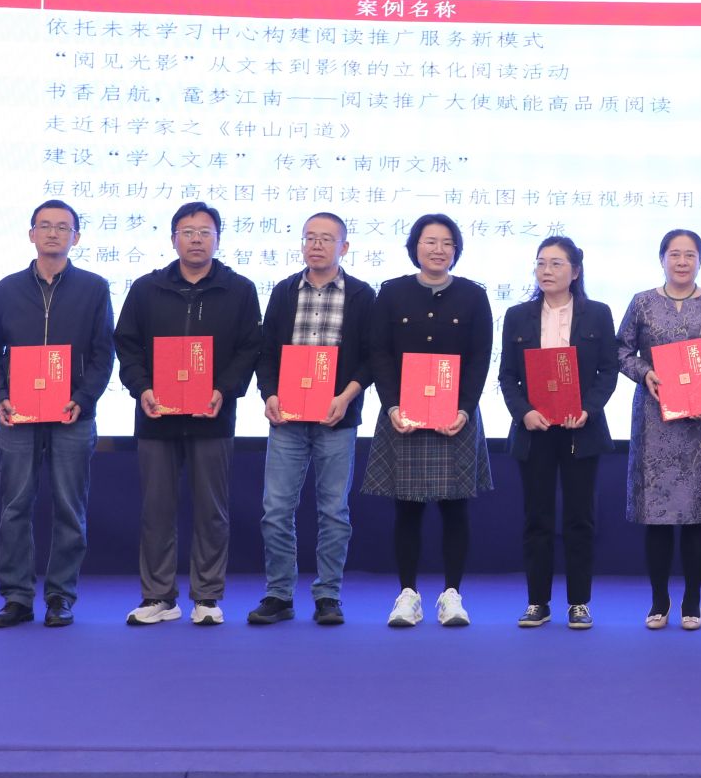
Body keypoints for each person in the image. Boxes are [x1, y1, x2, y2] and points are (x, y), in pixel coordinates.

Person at [113, 201, 263, 626]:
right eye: (188, 232)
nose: (196, 239)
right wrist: (141, 388)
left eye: (205, 232)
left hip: (213, 415)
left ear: (218, 239)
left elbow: (250, 348)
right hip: (156, 416)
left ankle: (207, 597)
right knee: (156, 510)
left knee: (211, 510)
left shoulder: (239, 289)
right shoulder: (147, 288)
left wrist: (224, 390)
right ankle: (159, 596)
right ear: (173, 238)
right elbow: (126, 344)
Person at [0, 199, 114, 628]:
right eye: (45, 226)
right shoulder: (6, 289)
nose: (53, 233)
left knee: (70, 509)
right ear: (31, 234)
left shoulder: (94, 288)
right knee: (15, 507)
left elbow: (103, 354)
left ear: (76, 237)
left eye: (63, 227)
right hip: (18, 416)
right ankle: (17, 598)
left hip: (72, 415)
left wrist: (83, 399)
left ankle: (60, 596)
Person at [363, 213, 494, 629]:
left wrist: (465, 408)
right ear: (415, 246)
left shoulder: (473, 295)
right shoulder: (392, 292)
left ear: (456, 250)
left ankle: (452, 595)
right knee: (407, 508)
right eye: (429, 241)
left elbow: (480, 357)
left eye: (446, 243)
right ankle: (408, 595)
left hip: (455, 415)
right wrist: (391, 406)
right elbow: (379, 352)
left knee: (456, 508)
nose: (438, 249)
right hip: (403, 414)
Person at [246, 213, 377, 628]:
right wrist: (269, 394)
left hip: (336, 418)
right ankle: (279, 594)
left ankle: (328, 595)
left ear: (344, 247)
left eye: (326, 239)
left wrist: (346, 397)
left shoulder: (362, 294)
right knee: (275, 509)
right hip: (287, 418)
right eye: (310, 238)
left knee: (334, 511)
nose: (316, 245)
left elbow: (372, 357)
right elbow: (266, 352)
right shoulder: (285, 291)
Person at [617, 229, 701, 630]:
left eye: (690, 255)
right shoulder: (642, 302)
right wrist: (644, 372)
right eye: (674, 254)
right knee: (657, 515)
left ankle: (692, 601)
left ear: (700, 260)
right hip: (655, 419)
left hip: (699, 424)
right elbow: (621, 350)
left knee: (696, 514)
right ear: (662, 258)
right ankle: (658, 600)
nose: (682, 261)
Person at [498, 235, 619, 629]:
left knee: (580, 519)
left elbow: (608, 370)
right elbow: (508, 375)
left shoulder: (597, 314)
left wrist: (588, 409)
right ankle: (537, 601)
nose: (546, 271)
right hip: (535, 430)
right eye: (541, 263)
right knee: (537, 518)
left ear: (575, 271)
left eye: (556, 263)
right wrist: (524, 413)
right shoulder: (518, 315)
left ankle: (579, 602)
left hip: (580, 430)